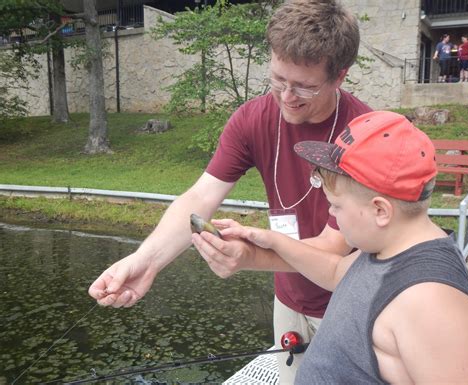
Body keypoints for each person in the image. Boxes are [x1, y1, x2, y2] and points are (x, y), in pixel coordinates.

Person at [88, 0, 371, 382]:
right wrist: (146, 261)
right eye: (277, 80)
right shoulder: (252, 119)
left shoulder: (363, 133)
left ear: (339, 76)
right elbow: (199, 198)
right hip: (288, 298)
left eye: (304, 86)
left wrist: (248, 256)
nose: (286, 97)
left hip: (350, 304)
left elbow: (334, 246)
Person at [192, 111, 468, 384]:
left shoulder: (431, 303)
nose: (331, 213)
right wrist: (268, 240)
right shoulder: (389, 247)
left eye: (336, 205)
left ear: (380, 211)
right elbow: (337, 271)